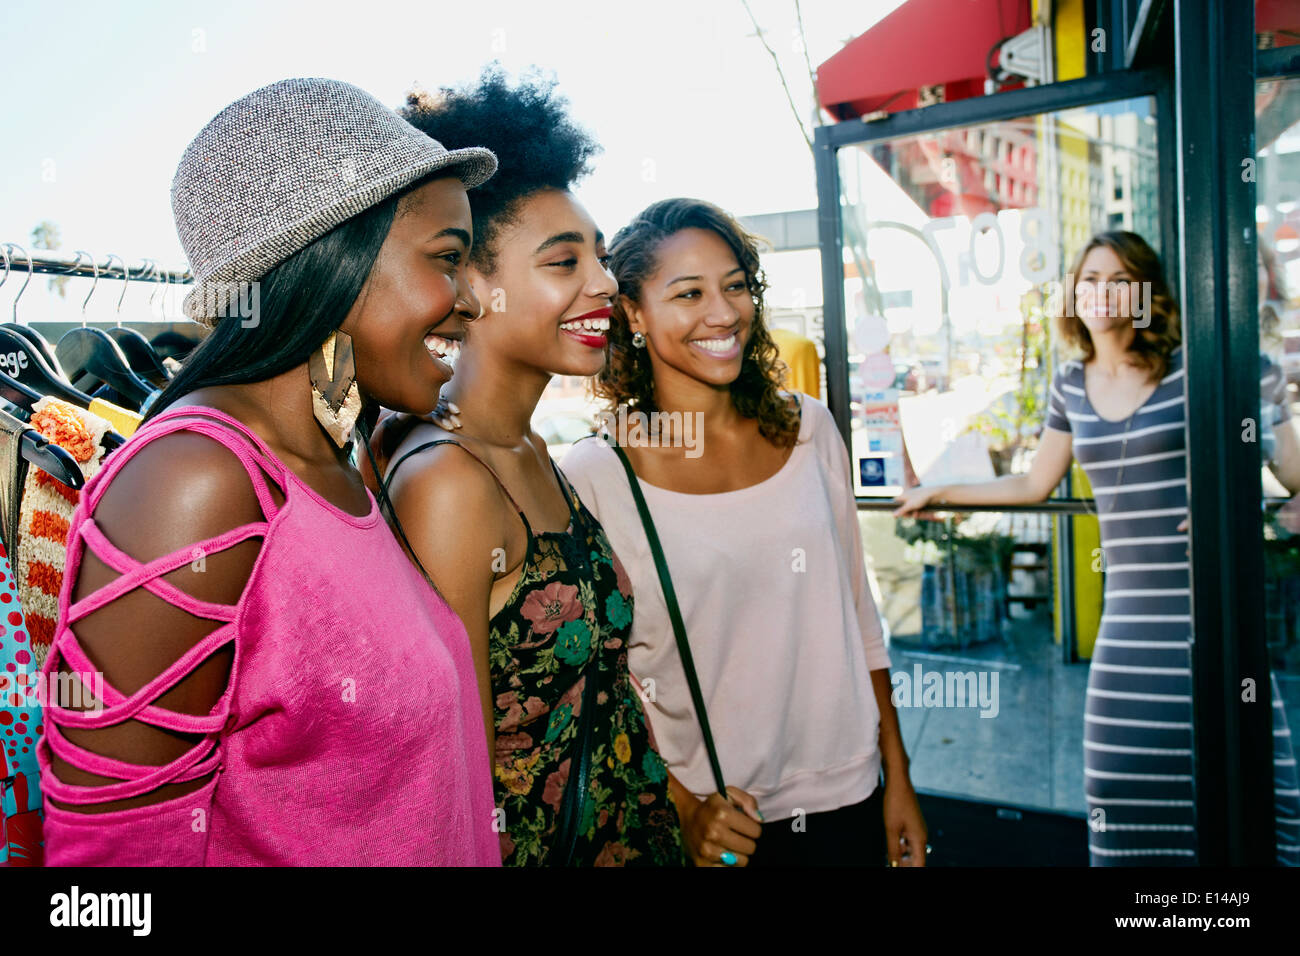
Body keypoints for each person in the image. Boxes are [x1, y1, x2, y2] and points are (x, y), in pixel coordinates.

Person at [36, 78, 502, 866]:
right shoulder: (197, 483)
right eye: (447, 259)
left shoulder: (338, 454)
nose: (472, 301)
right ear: (331, 255)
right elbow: (113, 864)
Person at [895, 230, 1300, 866]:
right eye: (1090, 280)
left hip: (1212, 609)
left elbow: (1280, 455)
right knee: (1116, 783)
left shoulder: (1193, 367)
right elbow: (1034, 482)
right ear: (1073, 295)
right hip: (1132, 618)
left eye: (1120, 281)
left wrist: (1227, 491)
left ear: (1146, 294)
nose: (1103, 293)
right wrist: (945, 490)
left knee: (1248, 778)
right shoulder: (1069, 384)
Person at [369, 67, 684, 866]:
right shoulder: (447, 481)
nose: (605, 284)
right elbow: (453, 773)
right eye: (563, 262)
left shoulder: (533, 451)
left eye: (602, 259)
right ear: (471, 282)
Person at [562, 197, 927, 867]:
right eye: (689, 293)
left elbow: (857, 613)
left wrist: (897, 775)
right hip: (717, 825)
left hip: (848, 795)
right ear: (634, 315)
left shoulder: (809, 428)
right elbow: (595, 684)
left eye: (735, 285)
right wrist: (680, 803)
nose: (724, 313)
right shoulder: (599, 472)